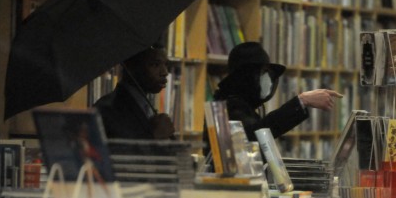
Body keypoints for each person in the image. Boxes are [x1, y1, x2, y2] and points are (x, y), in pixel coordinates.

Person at [203, 41, 343, 156]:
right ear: (246, 76)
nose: (268, 79)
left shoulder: (242, 104)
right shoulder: (229, 106)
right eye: (263, 72)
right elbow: (255, 135)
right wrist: (302, 101)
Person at [93, 44, 175, 140]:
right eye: (155, 65)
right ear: (131, 67)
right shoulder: (107, 108)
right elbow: (114, 152)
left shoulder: (145, 105)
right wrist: (153, 136)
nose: (165, 72)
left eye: (166, 64)